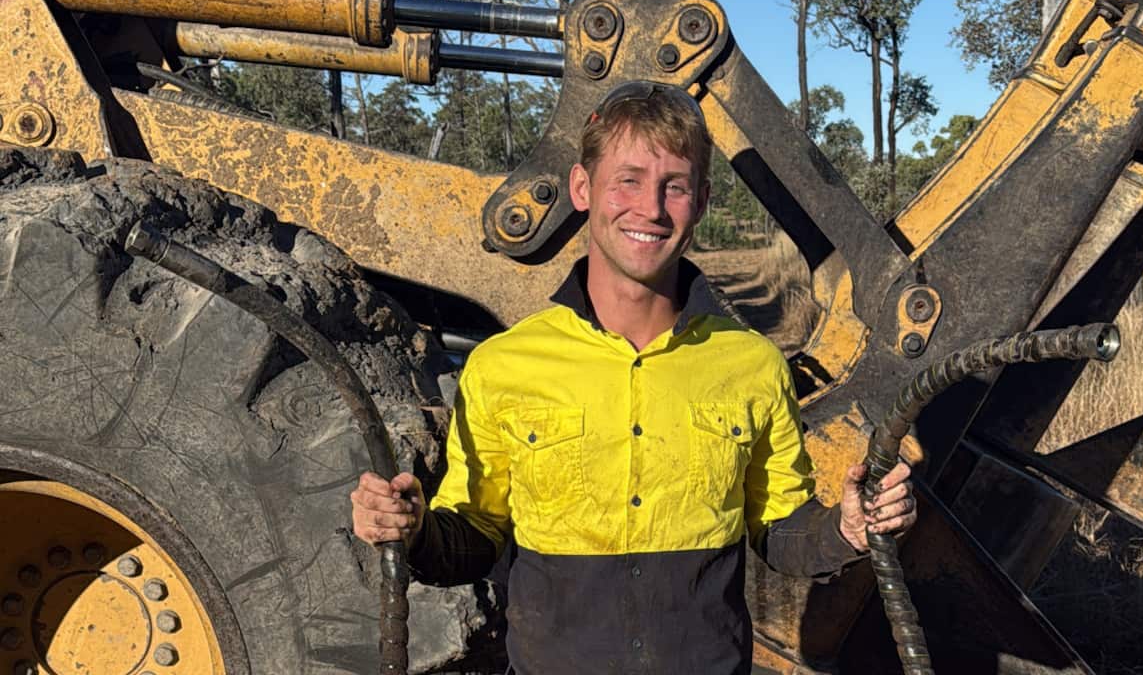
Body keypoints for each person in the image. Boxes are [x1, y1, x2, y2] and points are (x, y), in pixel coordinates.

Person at [350, 81, 917, 674]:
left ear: (699, 201)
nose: (650, 208)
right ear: (581, 187)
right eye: (628, 179)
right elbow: (477, 531)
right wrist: (411, 533)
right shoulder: (504, 367)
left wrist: (846, 529)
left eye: (674, 186)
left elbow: (778, 529)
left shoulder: (752, 365)